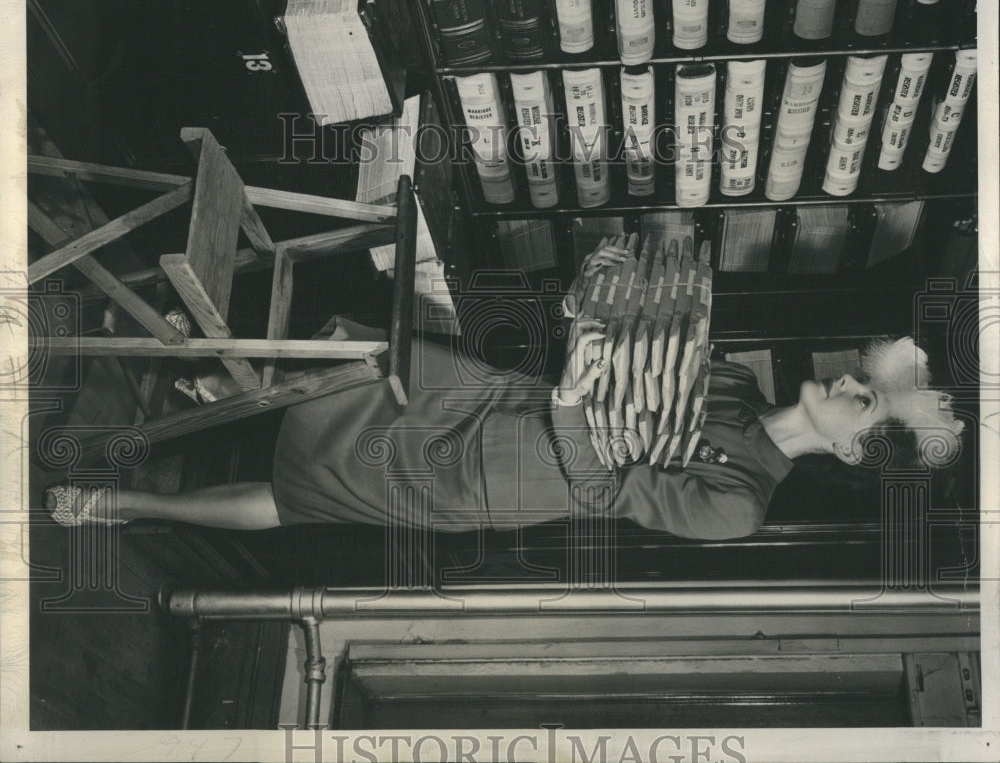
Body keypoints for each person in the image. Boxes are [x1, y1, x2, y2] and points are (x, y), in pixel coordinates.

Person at [44, 246, 965, 539]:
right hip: (509, 400)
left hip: (515, 477)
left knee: (309, 492)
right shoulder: (731, 378)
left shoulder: (741, 505)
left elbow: (604, 488)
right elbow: (616, 364)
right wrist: (590, 310)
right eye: (868, 379)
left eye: (869, 401)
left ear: (850, 449)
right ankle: (202, 387)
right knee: (364, 362)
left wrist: (574, 394)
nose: (854, 379)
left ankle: (124, 500)